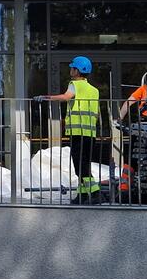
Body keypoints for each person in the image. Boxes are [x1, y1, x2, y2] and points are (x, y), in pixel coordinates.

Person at [34, 56, 103, 204]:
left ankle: (96, 192)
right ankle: (82, 195)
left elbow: (66, 97)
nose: (70, 70)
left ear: (77, 71)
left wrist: (45, 97)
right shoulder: (94, 90)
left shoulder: (75, 85)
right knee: (83, 164)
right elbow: (96, 113)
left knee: (80, 165)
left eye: (72, 68)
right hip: (90, 132)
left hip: (77, 132)